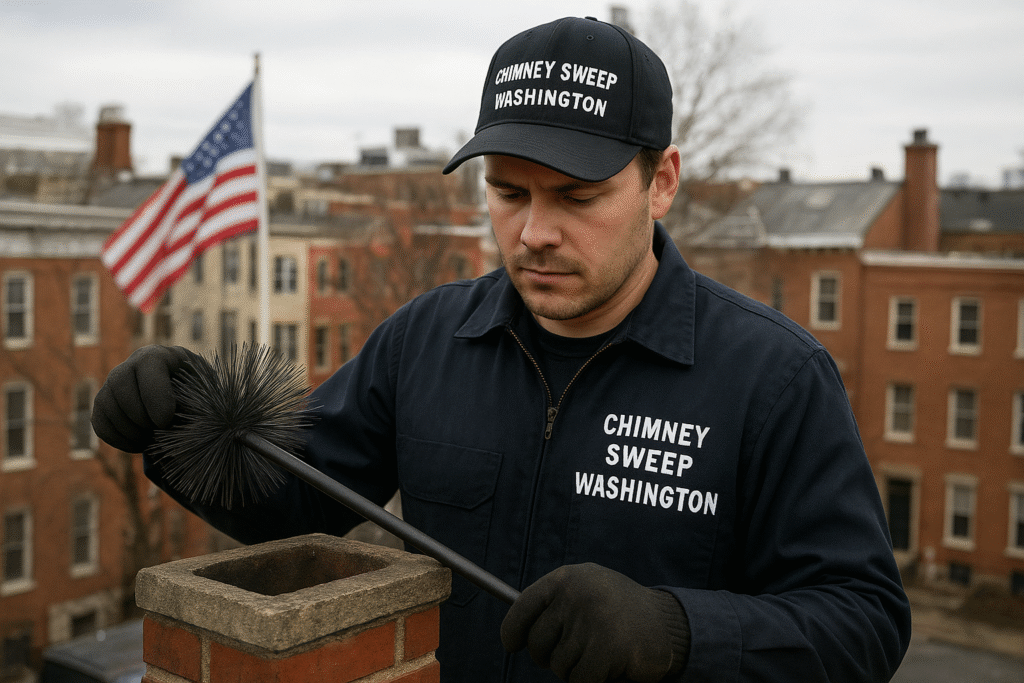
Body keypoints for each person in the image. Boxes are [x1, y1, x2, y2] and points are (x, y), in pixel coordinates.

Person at [92, 16, 911, 683]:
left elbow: (863, 623)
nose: (535, 232)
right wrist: (183, 424)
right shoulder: (426, 339)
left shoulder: (773, 377)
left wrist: (677, 630)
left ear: (660, 181)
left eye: (578, 196)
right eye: (508, 192)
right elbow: (299, 497)